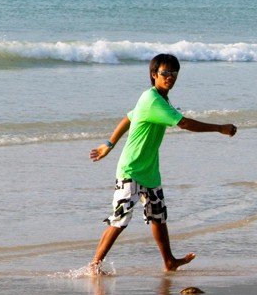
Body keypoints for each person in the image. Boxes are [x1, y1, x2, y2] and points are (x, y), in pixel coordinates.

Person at [88, 54, 237, 272]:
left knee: (158, 217)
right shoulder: (152, 100)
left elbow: (129, 117)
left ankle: (169, 261)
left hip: (149, 171)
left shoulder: (158, 99)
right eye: (165, 73)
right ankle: (94, 265)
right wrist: (219, 128)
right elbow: (184, 123)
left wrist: (108, 145)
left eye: (174, 73)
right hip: (131, 169)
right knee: (120, 219)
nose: (170, 77)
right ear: (153, 75)